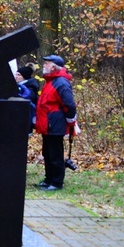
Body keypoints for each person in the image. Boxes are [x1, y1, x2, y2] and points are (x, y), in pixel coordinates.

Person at [35, 54, 78, 191]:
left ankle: (57, 182)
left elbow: (69, 104)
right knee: (47, 153)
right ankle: (49, 179)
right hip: (48, 124)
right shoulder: (51, 81)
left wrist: (71, 122)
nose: (44, 66)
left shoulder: (61, 82)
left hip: (54, 124)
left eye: (46, 63)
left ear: (53, 66)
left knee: (55, 154)